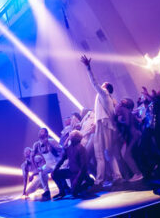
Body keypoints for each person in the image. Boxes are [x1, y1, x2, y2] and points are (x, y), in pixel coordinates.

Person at [80, 55, 123, 186]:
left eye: (103, 84)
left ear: (106, 88)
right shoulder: (106, 98)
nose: (101, 85)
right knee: (108, 153)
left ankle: (101, 180)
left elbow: (94, 82)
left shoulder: (104, 94)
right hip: (104, 125)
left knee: (101, 154)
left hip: (104, 125)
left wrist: (88, 67)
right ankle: (116, 176)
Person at [53, 130, 93, 197]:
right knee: (54, 174)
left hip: (80, 173)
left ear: (77, 138)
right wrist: (55, 170)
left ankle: (89, 182)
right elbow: (61, 160)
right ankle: (62, 191)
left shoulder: (81, 149)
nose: (70, 137)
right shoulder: (69, 148)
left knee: (74, 192)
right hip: (71, 172)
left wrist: (77, 179)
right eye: (70, 136)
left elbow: (83, 167)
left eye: (72, 136)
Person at [31, 128, 64, 200]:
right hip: (48, 164)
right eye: (39, 132)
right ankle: (46, 191)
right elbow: (32, 156)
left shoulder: (51, 141)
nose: (40, 133)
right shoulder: (37, 144)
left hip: (56, 162)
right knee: (41, 172)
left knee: (56, 174)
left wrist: (62, 161)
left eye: (42, 132)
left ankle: (62, 190)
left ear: (46, 134)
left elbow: (61, 150)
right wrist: (36, 168)